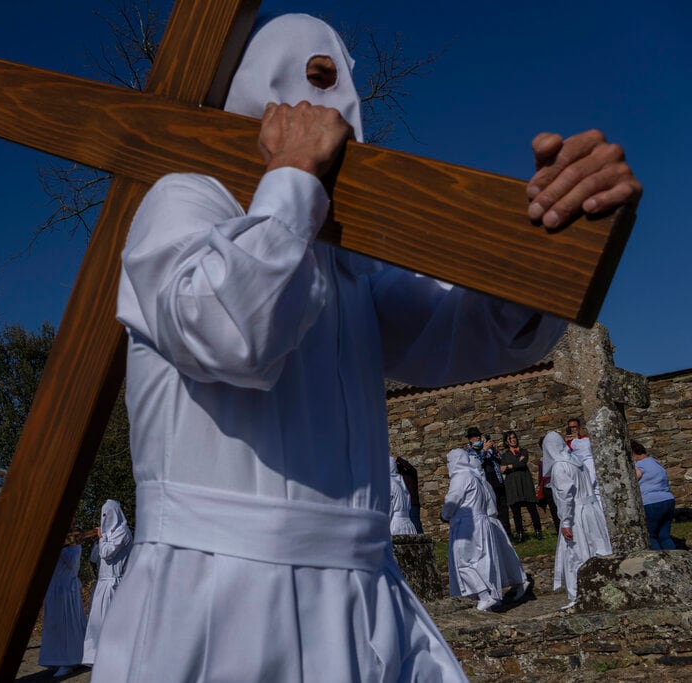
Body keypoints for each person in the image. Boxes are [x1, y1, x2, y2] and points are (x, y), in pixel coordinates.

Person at [95, 12, 641, 682]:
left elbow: (463, 329)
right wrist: (293, 177)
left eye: (348, 84)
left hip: (362, 607)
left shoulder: (346, 263)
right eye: (319, 78)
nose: (345, 108)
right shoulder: (182, 202)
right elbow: (230, 332)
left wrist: (551, 242)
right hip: (221, 610)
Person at [441, 448, 531, 611]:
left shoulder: (460, 476)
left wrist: (445, 515)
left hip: (467, 524)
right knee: (481, 562)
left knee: (463, 562)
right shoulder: (475, 477)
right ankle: (488, 600)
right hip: (481, 522)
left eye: (449, 461)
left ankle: (484, 595)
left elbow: (453, 500)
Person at [542, 431, 612, 610]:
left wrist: (565, 522)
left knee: (576, 553)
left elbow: (566, 496)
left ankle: (578, 594)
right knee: (598, 547)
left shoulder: (560, 467)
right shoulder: (577, 461)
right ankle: (603, 587)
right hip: (592, 510)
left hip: (577, 513)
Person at [83, 500, 133, 666]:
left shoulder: (122, 532)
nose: (104, 519)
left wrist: (102, 537)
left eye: (107, 515)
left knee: (113, 626)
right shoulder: (108, 535)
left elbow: (107, 553)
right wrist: (98, 539)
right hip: (103, 584)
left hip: (115, 584)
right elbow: (95, 557)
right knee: (97, 624)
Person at [39, 537, 88, 678]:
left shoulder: (71, 549)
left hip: (66, 591)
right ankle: (61, 658)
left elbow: (73, 566)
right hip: (54, 589)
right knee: (56, 626)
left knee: (68, 625)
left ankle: (69, 661)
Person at [466, 427, 513, 538]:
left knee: (503, 511)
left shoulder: (486, 447)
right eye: (475, 436)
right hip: (487, 486)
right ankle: (497, 537)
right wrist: (484, 450)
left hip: (498, 482)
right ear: (470, 439)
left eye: (478, 435)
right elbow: (476, 464)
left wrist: (495, 450)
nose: (478, 437)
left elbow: (501, 460)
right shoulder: (470, 451)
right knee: (492, 512)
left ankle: (508, 536)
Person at [631, 440, 677, 550]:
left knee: (650, 536)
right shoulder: (655, 462)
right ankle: (675, 561)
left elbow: (637, 475)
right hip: (668, 500)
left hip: (650, 503)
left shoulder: (639, 465)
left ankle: (658, 563)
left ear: (632, 454)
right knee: (664, 536)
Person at [501, 430, 543, 541]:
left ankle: (538, 531)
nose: (513, 440)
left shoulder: (523, 451)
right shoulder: (505, 455)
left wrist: (510, 466)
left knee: (532, 508)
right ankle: (520, 534)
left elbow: (522, 463)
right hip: (513, 485)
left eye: (514, 437)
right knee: (516, 511)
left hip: (525, 482)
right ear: (506, 441)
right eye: (510, 438)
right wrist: (516, 463)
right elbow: (502, 468)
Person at [565, 417, 600, 502]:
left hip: (589, 469)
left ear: (579, 428)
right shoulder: (565, 442)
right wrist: (566, 443)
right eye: (570, 427)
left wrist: (577, 439)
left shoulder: (586, 440)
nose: (572, 429)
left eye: (574, 427)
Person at [389, 455, 417, 535]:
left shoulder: (389, 483)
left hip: (395, 524)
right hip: (408, 524)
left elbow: (388, 508)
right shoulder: (401, 482)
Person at [396, 456, 424, 533]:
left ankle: (422, 543)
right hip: (404, 506)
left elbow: (411, 468)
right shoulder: (397, 479)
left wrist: (398, 459)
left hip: (412, 504)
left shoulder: (411, 475)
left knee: (416, 525)